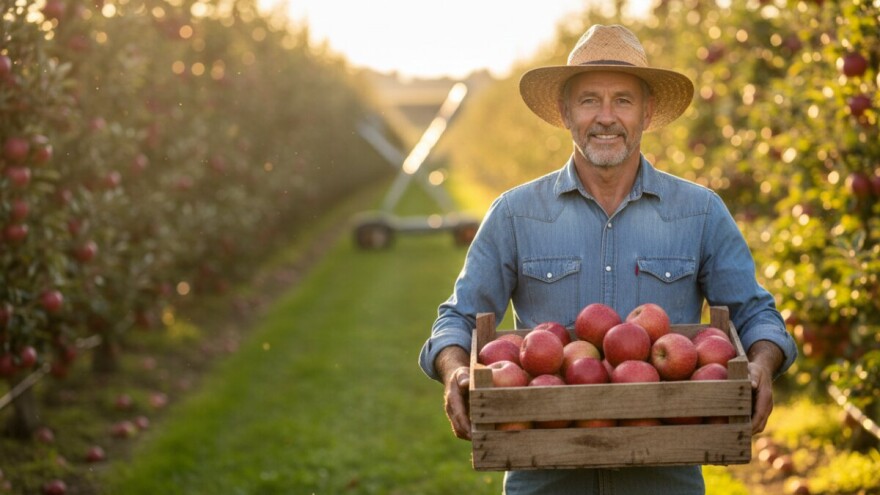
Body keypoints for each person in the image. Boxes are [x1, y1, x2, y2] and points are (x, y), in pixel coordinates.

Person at [417, 24, 798, 494]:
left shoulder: (699, 211)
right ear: (565, 112)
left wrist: (762, 363)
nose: (605, 117)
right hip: (544, 469)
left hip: (665, 473)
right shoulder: (516, 213)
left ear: (647, 111)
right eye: (589, 100)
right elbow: (457, 318)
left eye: (622, 100)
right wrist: (455, 369)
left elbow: (756, 313)